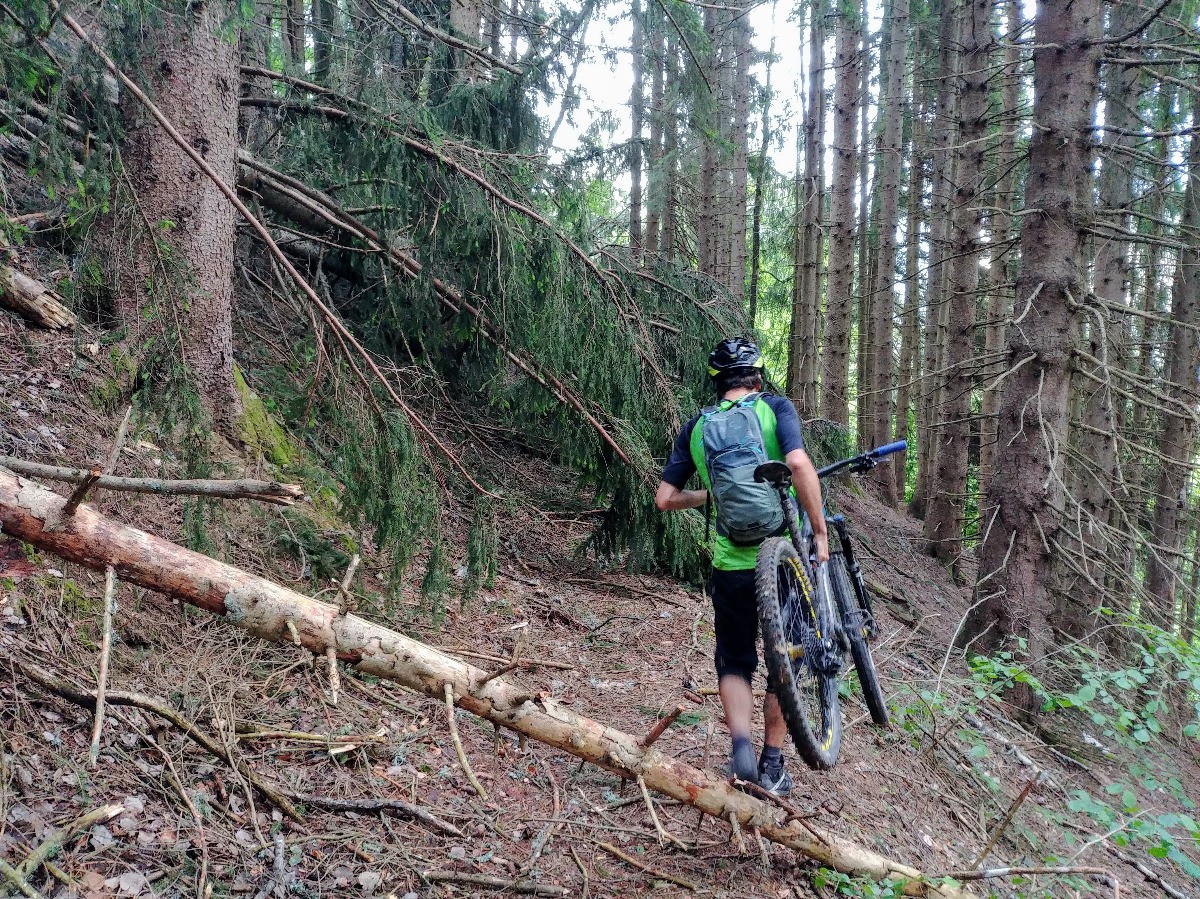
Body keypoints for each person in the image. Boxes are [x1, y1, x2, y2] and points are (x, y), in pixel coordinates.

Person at [655, 336, 829, 796]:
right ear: (757, 377)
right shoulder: (775, 408)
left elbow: (665, 499)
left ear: (716, 384)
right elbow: (796, 463)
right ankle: (773, 763)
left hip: (731, 559)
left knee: (734, 659)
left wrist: (711, 494)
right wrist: (821, 531)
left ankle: (741, 752)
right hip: (783, 557)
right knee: (785, 656)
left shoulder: (698, 427)